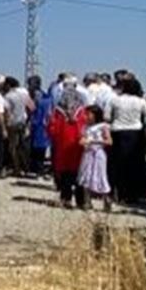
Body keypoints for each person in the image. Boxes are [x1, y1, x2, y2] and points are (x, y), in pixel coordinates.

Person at [105, 78, 146, 203]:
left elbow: (107, 117)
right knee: (134, 165)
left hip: (118, 132)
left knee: (117, 165)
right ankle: (133, 194)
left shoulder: (114, 100)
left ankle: (117, 193)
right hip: (135, 133)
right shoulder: (140, 101)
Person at [49, 78, 89, 208]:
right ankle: (81, 201)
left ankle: (66, 199)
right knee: (79, 173)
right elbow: (87, 127)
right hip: (78, 146)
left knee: (65, 173)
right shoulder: (82, 111)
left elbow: (52, 129)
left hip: (63, 146)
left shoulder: (58, 111)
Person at [78, 105, 113, 212]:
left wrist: (95, 141)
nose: (87, 116)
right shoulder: (85, 127)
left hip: (98, 154)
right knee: (86, 176)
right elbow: (82, 139)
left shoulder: (103, 126)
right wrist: (83, 142)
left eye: (89, 114)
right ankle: (87, 202)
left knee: (100, 176)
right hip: (88, 153)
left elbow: (109, 142)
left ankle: (106, 199)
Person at [2, 76, 34, 177]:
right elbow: (32, 107)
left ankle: (16, 169)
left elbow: (6, 112)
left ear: (8, 85)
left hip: (12, 124)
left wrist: (5, 124)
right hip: (22, 123)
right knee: (22, 147)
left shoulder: (8, 96)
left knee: (13, 148)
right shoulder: (23, 95)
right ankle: (26, 167)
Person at [29, 75, 53, 178]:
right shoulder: (45, 96)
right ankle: (38, 169)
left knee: (38, 149)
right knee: (40, 148)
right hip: (42, 124)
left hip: (38, 124)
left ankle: (38, 169)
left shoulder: (38, 96)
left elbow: (32, 109)